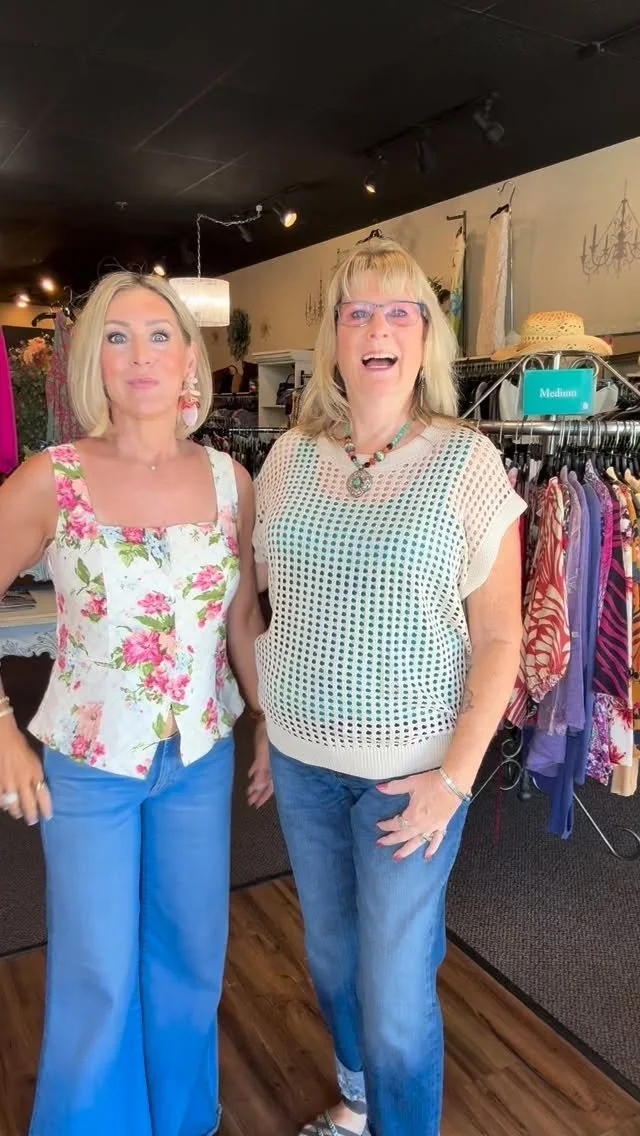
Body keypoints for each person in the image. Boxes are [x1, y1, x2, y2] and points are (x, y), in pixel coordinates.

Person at [252, 238, 525, 1136]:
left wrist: (454, 781)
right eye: (358, 312)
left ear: (425, 337)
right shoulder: (288, 458)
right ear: (334, 336)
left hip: (411, 778)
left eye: (399, 311)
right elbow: (271, 605)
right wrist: (265, 724)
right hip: (301, 764)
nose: (378, 329)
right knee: (332, 960)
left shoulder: (467, 462)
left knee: (398, 992)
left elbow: (500, 638)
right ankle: (359, 1101)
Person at [0, 271, 272, 1136]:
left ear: (190, 356)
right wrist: (1, 734)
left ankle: (183, 1121)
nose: (140, 355)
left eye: (159, 335)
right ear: (94, 361)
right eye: (116, 337)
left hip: (200, 758)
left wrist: (266, 723)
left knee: (191, 958)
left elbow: (241, 616)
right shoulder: (51, 478)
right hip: (90, 764)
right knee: (98, 971)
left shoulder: (231, 481)